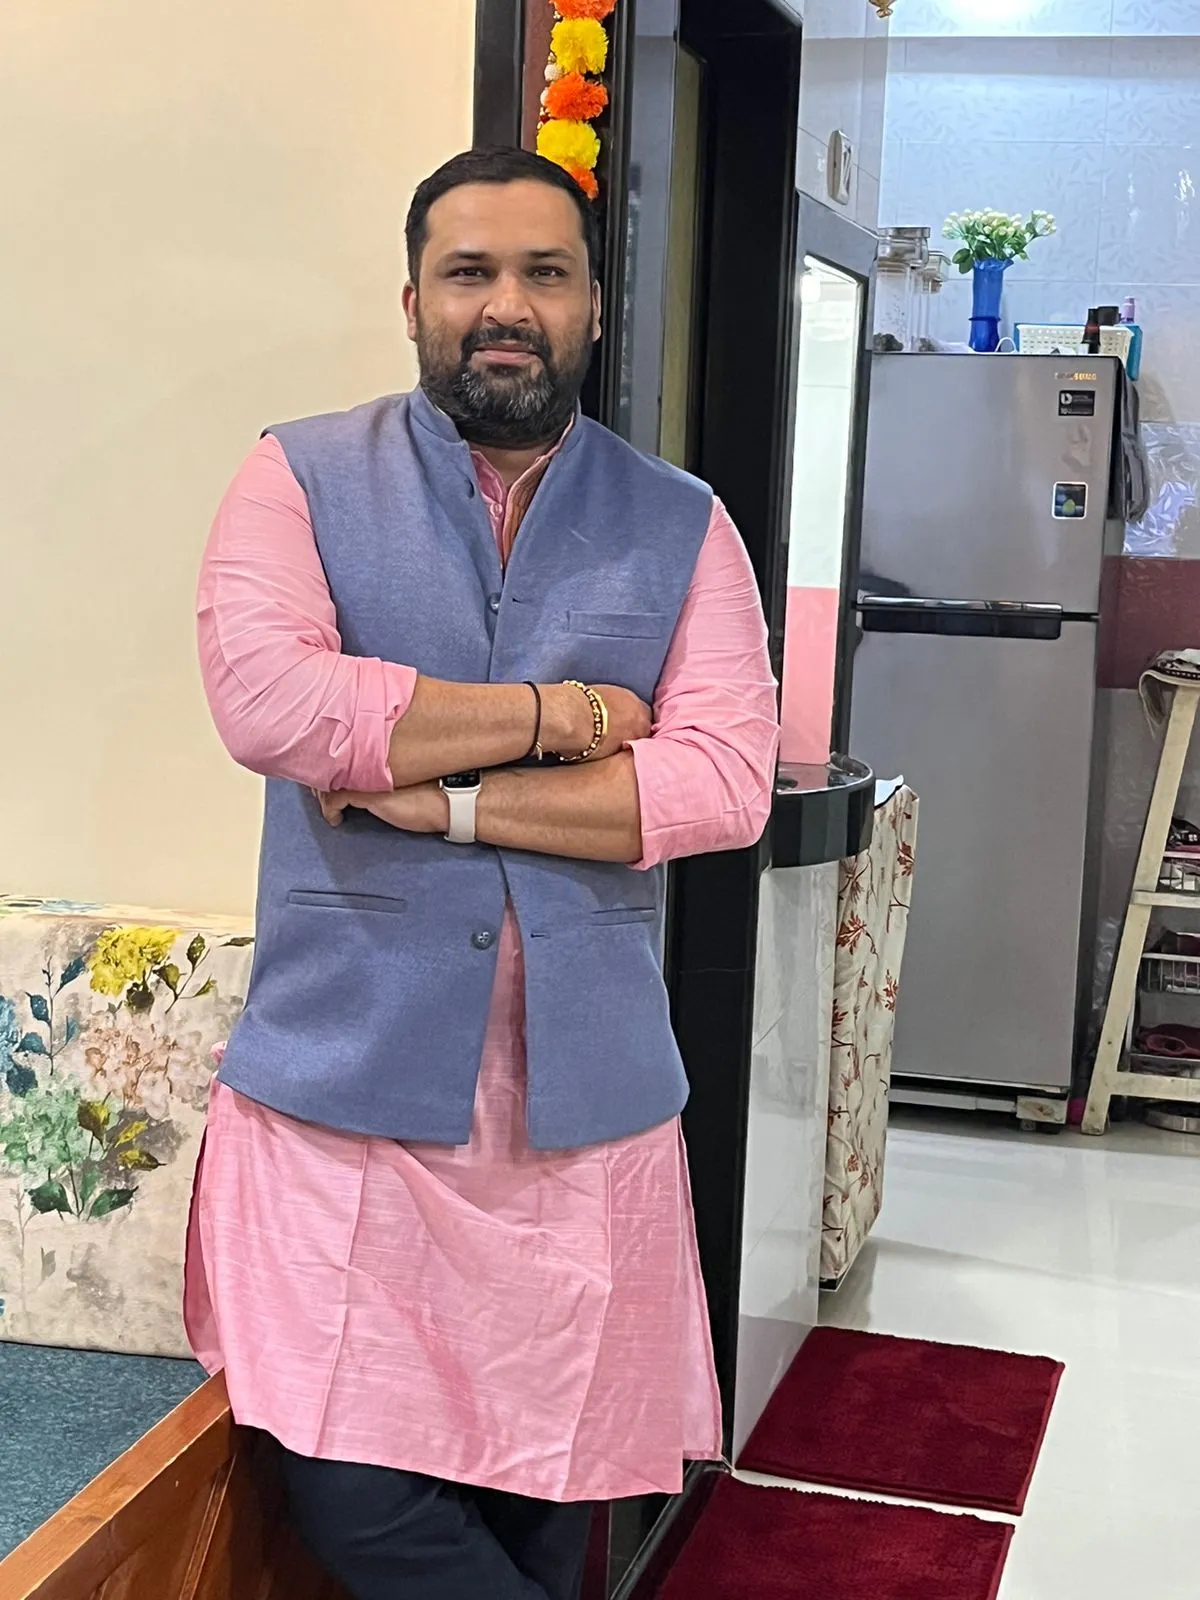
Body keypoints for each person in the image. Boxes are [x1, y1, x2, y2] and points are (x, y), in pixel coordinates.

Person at [187, 146, 779, 1600]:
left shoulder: (685, 520)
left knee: (549, 1490)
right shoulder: (297, 476)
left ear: (589, 308)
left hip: (580, 1122)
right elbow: (273, 705)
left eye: (543, 273)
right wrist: (567, 721)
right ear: (412, 301)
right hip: (345, 1107)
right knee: (358, 1499)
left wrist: (444, 802)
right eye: (470, 273)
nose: (504, 304)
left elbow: (720, 782)